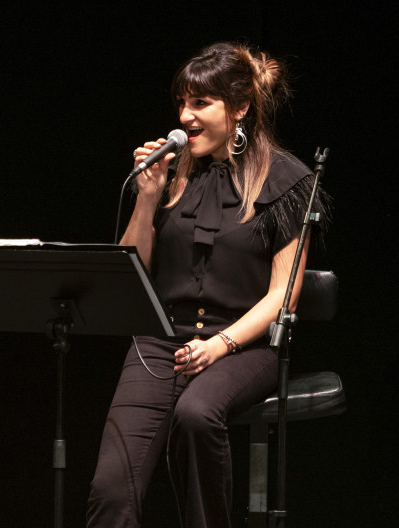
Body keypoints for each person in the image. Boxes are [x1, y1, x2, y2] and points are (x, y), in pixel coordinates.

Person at [85, 42, 329, 528]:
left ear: (240, 108)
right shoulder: (177, 172)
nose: (185, 116)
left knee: (196, 416)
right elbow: (134, 266)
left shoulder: (287, 179)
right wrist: (148, 198)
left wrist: (220, 344)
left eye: (201, 103)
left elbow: (285, 294)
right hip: (160, 341)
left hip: (243, 345)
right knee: (111, 488)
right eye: (182, 102)